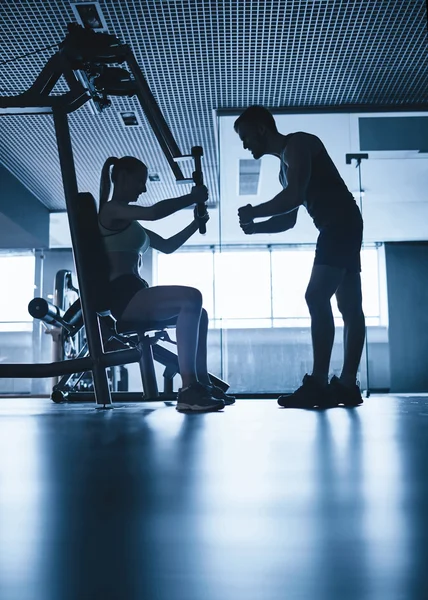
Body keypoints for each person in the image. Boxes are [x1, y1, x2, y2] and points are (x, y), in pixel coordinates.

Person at [234, 106, 365, 408]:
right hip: (340, 224)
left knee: (316, 297)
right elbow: (288, 219)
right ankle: (346, 385)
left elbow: (293, 197)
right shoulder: (284, 168)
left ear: (262, 130)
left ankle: (319, 383)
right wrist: (257, 229)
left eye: (246, 137)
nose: (245, 145)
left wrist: (255, 211)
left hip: (338, 224)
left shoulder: (299, 144)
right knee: (349, 305)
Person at [98, 155, 234, 412]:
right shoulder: (110, 210)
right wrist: (191, 197)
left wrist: (196, 224)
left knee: (199, 313)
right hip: (123, 296)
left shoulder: (129, 223)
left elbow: (168, 246)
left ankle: (201, 384)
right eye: (140, 181)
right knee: (191, 297)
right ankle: (188, 389)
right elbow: (153, 213)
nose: (143, 188)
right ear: (123, 177)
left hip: (136, 292)